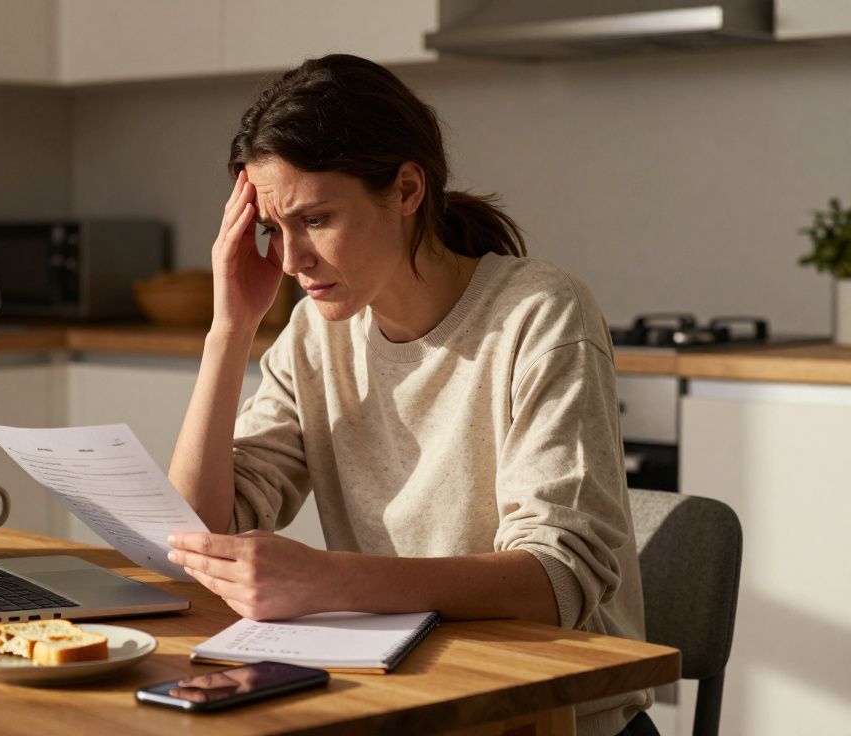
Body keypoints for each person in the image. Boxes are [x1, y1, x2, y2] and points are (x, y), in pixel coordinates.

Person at [165, 54, 654, 736]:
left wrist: (330, 581)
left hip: (545, 717)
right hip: (407, 704)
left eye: (316, 219)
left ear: (405, 190)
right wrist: (231, 329)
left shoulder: (539, 313)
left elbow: (554, 582)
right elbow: (199, 532)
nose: (288, 260)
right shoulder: (314, 331)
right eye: (275, 229)